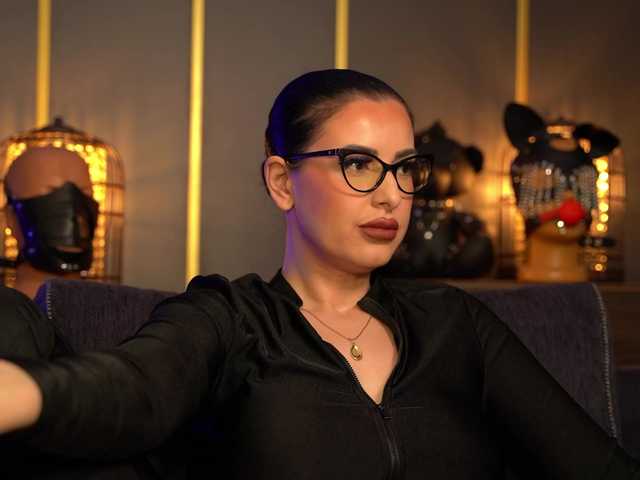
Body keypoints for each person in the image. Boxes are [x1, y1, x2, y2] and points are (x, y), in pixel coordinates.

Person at [0, 69, 638, 479]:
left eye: (404, 168)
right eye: (359, 164)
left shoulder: (455, 322)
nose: (391, 194)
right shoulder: (229, 318)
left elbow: (595, 463)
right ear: (283, 182)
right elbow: (132, 386)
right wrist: (25, 393)